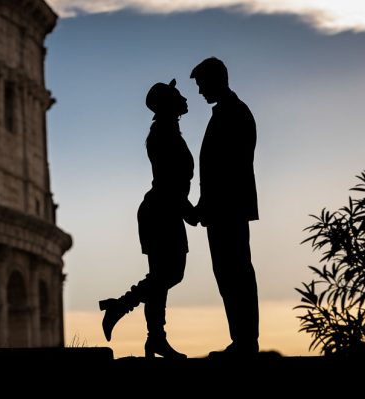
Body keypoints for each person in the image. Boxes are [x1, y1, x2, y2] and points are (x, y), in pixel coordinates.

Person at [99, 79, 197, 358]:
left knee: (163, 276)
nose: (185, 98)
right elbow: (169, 180)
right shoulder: (164, 133)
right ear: (168, 103)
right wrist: (189, 212)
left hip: (165, 210)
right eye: (178, 95)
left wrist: (187, 210)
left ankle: (154, 337)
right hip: (162, 211)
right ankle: (121, 308)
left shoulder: (168, 131)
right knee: (170, 274)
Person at [190, 57, 260, 355]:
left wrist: (204, 205)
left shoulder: (233, 113)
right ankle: (242, 339)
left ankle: (245, 341)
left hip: (227, 209)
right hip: (223, 208)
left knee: (235, 273)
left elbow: (227, 169)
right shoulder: (229, 112)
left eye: (202, 84)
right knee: (230, 273)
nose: (200, 91)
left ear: (216, 80)